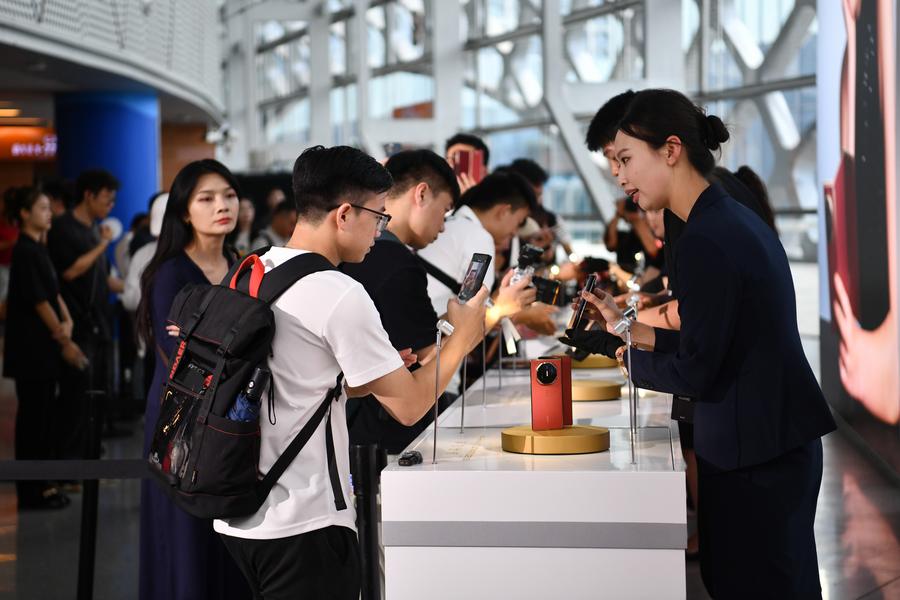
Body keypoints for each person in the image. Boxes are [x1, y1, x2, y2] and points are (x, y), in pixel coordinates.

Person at [582, 88, 836, 598]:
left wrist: (628, 358)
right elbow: (721, 337)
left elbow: (698, 369)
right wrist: (631, 330)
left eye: (626, 159)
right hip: (770, 441)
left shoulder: (704, 236)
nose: (621, 176)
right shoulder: (723, 217)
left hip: (755, 455)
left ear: (671, 150)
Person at [213, 145, 487, 599]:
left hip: (238, 514)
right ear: (344, 214)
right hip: (303, 520)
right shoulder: (338, 291)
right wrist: (463, 338)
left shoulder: (251, 269)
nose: (381, 232)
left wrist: (371, 373)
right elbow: (410, 407)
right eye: (378, 216)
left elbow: (293, 380)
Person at [340, 150, 532, 453]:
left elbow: (416, 337)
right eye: (444, 211)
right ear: (421, 194)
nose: (443, 227)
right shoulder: (398, 264)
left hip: (352, 429)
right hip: (385, 439)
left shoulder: (363, 257)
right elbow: (432, 358)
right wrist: (490, 315)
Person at [136, 160, 249, 600]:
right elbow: (186, 357)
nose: (222, 206)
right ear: (184, 211)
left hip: (233, 421)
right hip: (180, 421)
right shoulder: (169, 272)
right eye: (207, 198)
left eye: (229, 195)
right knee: (186, 542)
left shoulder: (243, 266)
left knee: (231, 540)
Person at [3, 187, 86, 509]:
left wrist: (68, 321)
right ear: (25, 214)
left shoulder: (39, 248)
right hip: (32, 350)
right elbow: (39, 301)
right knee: (33, 422)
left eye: (49, 208)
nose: (49, 213)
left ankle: (44, 483)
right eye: (41, 208)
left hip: (45, 348)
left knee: (44, 417)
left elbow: (54, 294)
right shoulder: (25, 250)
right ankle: (32, 490)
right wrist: (64, 339)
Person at [46, 169, 122, 456]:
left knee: (96, 396)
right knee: (75, 398)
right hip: (77, 327)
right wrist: (103, 245)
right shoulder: (63, 228)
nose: (110, 206)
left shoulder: (93, 230)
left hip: (99, 324)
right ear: (88, 195)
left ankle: (89, 459)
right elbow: (70, 272)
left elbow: (102, 278)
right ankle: (69, 464)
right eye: (106, 199)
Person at [0, 188, 20, 320]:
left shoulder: (20, 219)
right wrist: (11, 242)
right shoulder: (2, 220)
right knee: (3, 297)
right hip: (3, 266)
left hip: (18, 265)